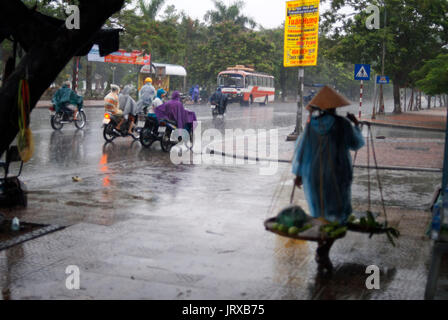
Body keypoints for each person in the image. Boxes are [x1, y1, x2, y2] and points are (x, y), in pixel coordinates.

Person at [292, 86, 365, 225]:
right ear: (336, 107)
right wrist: (355, 124)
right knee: (337, 217)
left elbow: (301, 150)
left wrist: (299, 175)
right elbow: (356, 143)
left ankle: (322, 242)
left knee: (319, 216)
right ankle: (325, 243)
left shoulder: (310, 125)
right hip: (337, 175)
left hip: (314, 175)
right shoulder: (343, 124)